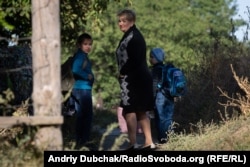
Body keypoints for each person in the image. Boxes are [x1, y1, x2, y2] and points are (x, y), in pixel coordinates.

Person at [115, 8, 155, 150]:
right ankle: (148, 142)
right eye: (119, 21)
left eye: (124, 21)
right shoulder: (129, 35)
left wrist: (123, 72)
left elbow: (135, 59)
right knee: (138, 110)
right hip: (134, 78)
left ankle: (134, 143)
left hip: (135, 79)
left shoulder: (134, 37)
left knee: (131, 109)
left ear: (132, 21)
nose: (120, 23)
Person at [71, 33, 95, 148]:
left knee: (81, 115)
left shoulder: (83, 56)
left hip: (82, 89)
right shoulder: (80, 56)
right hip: (82, 89)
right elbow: (75, 69)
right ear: (79, 45)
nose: (88, 46)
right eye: (85, 44)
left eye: (90, 44)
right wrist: (88, 77)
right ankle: (84, 141)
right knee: (87, 116)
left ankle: (79, 141)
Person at [149, 48, 175, 144]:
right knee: (168, 118)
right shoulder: (166, 68)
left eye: (151, 57)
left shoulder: (155, 70)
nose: (150, 59)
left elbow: (154, 86)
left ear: (156, 58)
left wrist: (151, 101)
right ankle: (171, 139)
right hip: (169, 96)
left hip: (160, 97)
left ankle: (163, 140)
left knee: (160, 119)